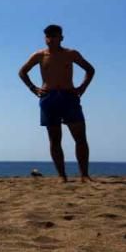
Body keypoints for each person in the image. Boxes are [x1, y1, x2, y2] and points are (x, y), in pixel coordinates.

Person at [19, 24, 96, 182]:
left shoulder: (71, 54)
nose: (51, 39)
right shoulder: (39, 55)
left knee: (80, 137)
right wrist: (33, 88)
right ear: (45, 38)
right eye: (48, 36)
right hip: (49, 98)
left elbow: (90, 69)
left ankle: (84, 175)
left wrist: (82, 87)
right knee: (55, 139)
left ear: (61, 37)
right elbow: (22, 71)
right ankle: (62, 175)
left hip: (69, 97)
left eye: (54, 36)